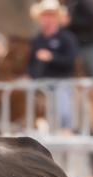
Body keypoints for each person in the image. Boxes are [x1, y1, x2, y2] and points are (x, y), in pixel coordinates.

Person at [28, 0, 80, 132]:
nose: (48, 19)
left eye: (51, 15)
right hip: (39, 85)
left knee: (63, 113)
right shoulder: (37, 40)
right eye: (45, 15)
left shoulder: (67, 38)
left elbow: (71, 61)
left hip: (61, 83)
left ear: (57, 18)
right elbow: (31, 64)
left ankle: (66, 131)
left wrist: (52, 58)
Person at [66, 0, 93, 77]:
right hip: (74, 45)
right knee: (77, 74)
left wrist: (71, 21)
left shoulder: (86, 2)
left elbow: (92, 19)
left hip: (88, 45)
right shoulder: (69, 3)